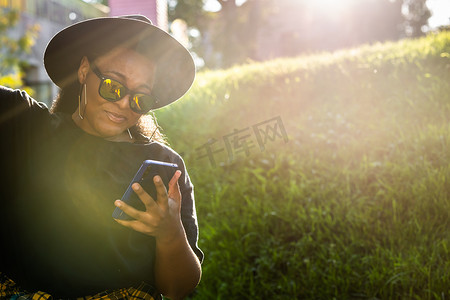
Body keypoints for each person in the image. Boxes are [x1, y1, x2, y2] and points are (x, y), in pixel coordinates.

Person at [0, 15, 203, 300]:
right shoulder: (26, 127)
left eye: (140, 99)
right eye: (113, 86)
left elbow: (177, 289)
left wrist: (169, 234)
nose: (123, 103)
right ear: (84, 71)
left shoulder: (163, 166)